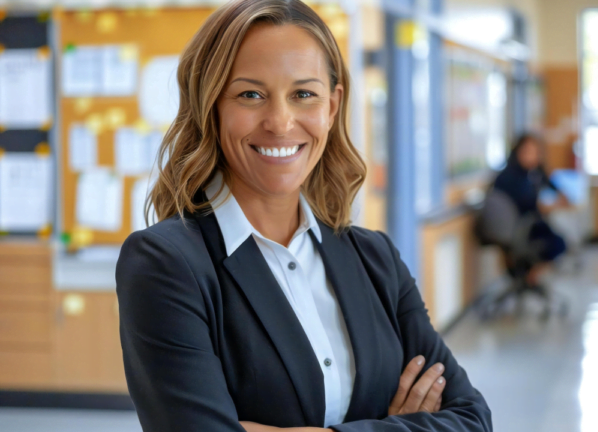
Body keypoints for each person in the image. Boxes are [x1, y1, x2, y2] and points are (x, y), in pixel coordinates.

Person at [115, 1, 491, 432]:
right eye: (250, 94)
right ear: (211, 105)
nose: (279, 121)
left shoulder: (375, 258)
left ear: (332, 107)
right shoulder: (165, 264)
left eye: (303, 94)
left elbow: (471, 419)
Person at [492, 133, 569, 284]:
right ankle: (530, 279)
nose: (531, 157)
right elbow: (530, 203)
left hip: (527, 225)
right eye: (527, 152)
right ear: (517, 152)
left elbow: (550, 185)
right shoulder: (510, 176)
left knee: (559, 240)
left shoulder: (533, 173)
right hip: (520, 229)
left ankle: (530, 278)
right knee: (557, 243)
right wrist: (549, 206)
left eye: (535, 152)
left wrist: (561, 196)